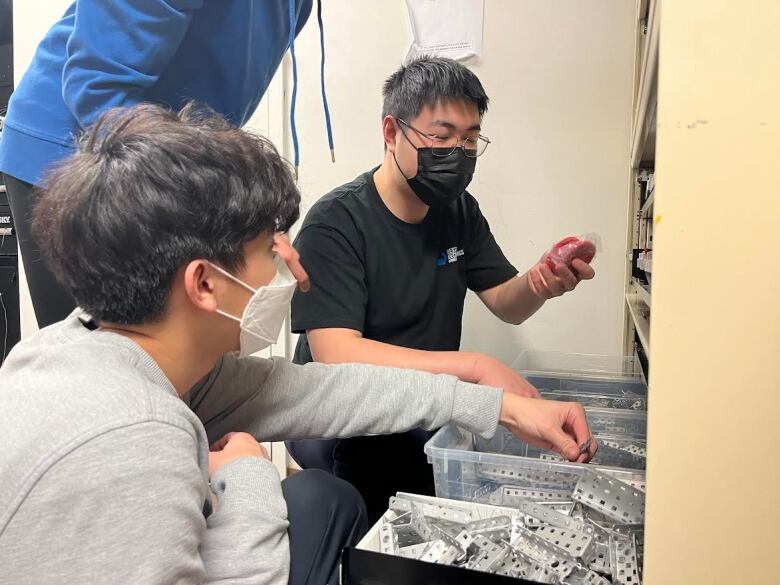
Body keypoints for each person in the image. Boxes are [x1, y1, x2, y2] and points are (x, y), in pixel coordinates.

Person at [0, 103, 595, 584]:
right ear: (204, 284)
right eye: (271, 247)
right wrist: (249, 479)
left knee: (318, 498)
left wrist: (500, 406)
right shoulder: (132, 439)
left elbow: (322, 389)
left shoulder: (105, 351)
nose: (295, 266)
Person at [288, 57, 597, 521]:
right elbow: (335, 353)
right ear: (392, 132)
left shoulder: (459, 211)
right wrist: (473, 367)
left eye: (470, 138)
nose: (458, 150)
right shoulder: (336, 222)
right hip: (340, 414)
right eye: (441, 135)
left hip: (422, 399)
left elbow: (507, 304)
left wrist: (539, 283)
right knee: (402, 484)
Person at [0, 0, 324, 328]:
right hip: (77, 151)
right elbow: (97, 88)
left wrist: (251, 224)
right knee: (102, 354)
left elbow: (208, 114)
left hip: (166, 154)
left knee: (180, 344)